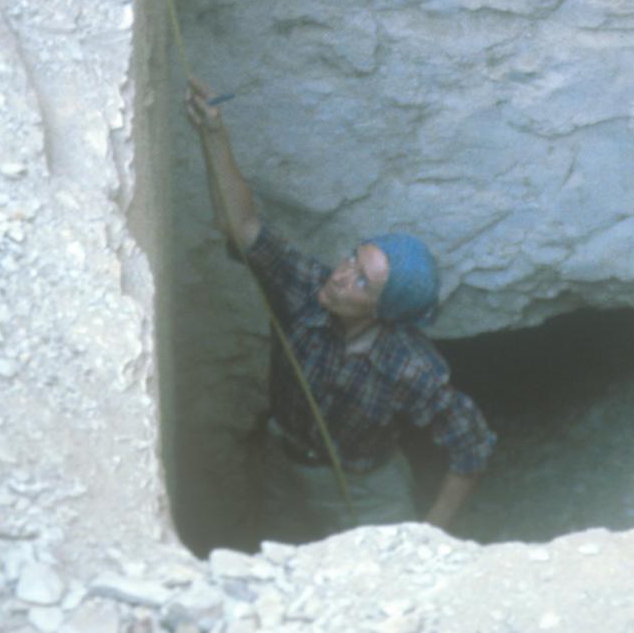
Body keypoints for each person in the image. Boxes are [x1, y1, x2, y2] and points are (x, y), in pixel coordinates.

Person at [184, 77, 494, 543]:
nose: (341, 274)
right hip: (282, 467)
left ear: (383, 312)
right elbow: (243, 227)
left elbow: (472, 447)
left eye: (362, 281)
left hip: (365, 489)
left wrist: (430, 538)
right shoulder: (307, 287)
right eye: (353, 257)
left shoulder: (410, 366)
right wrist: (213, 133)